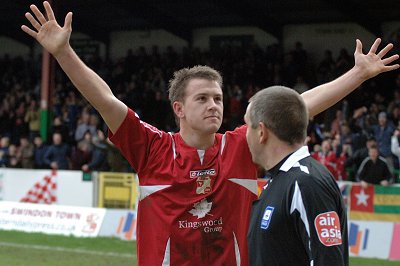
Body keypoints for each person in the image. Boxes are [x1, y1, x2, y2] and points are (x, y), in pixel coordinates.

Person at [22, 2, 399, 265]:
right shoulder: (152, 148)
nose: (214, 105)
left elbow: (299, 104)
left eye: (218, 98)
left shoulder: (240, 146)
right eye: (202, 98)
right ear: (179, 109)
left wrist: (358, 74)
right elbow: (105, 99)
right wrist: (63, 53)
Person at [245, 86, 348, 265]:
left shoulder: (306, 183)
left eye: (247, 126)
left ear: (261, 132)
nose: (245, 135)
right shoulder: (281, 180)